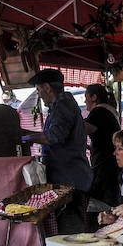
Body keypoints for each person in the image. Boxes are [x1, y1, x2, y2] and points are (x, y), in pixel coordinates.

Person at [21, 68, 93, 234]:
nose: (39, 95)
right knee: (67, 230)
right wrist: (26, 134)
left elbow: (53, 137)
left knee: (71, 233)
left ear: (47, 87)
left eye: (38, 90)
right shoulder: (60, 106)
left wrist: (25, 139)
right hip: (68, 177)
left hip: (70, 179)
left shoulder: (63, 105)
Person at [84, 83, 121, 209]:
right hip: (111, 163)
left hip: (105, 165)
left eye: (86, 96)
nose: (84, 101)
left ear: (94, 97)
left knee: (104, 204)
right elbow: (104, 138)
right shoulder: (109, 111)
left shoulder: (99, 111)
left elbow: (80, 130)